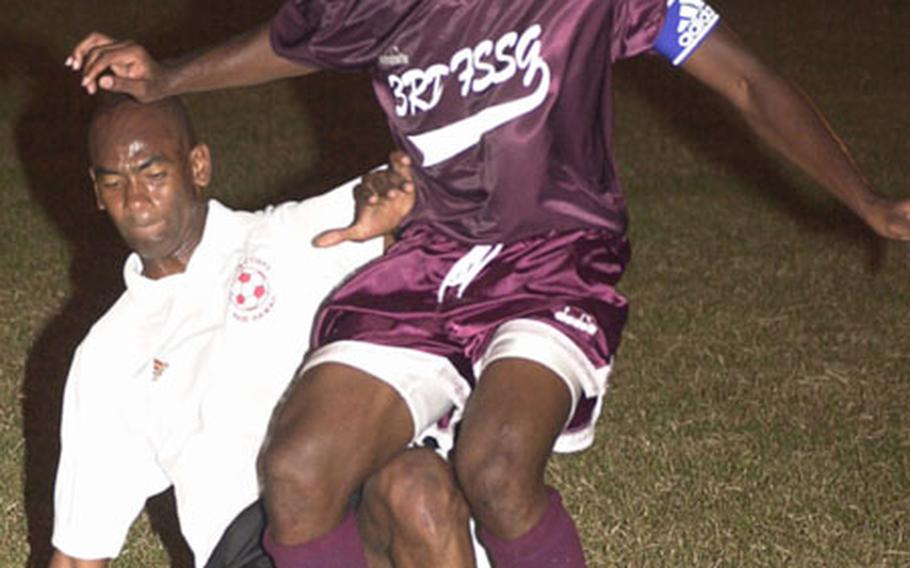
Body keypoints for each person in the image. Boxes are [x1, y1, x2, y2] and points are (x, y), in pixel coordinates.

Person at [66, 1, 910, 566]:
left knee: (498, 465)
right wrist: (170, 77)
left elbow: (748, 78)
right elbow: (288, 44)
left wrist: (864, 199)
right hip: (428, 265)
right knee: (296, 468)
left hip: (554, 260)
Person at [48, 93, 485, 568]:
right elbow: (78, 550)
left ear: (197, 166)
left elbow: (421, 189)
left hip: (358, 489)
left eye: (154, 176)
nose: (136, 201)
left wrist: (400, 198)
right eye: (114, 184)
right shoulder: (109, 351)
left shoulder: (289, 237)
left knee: (418, 487)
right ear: (96, 192)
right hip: (249, 543)